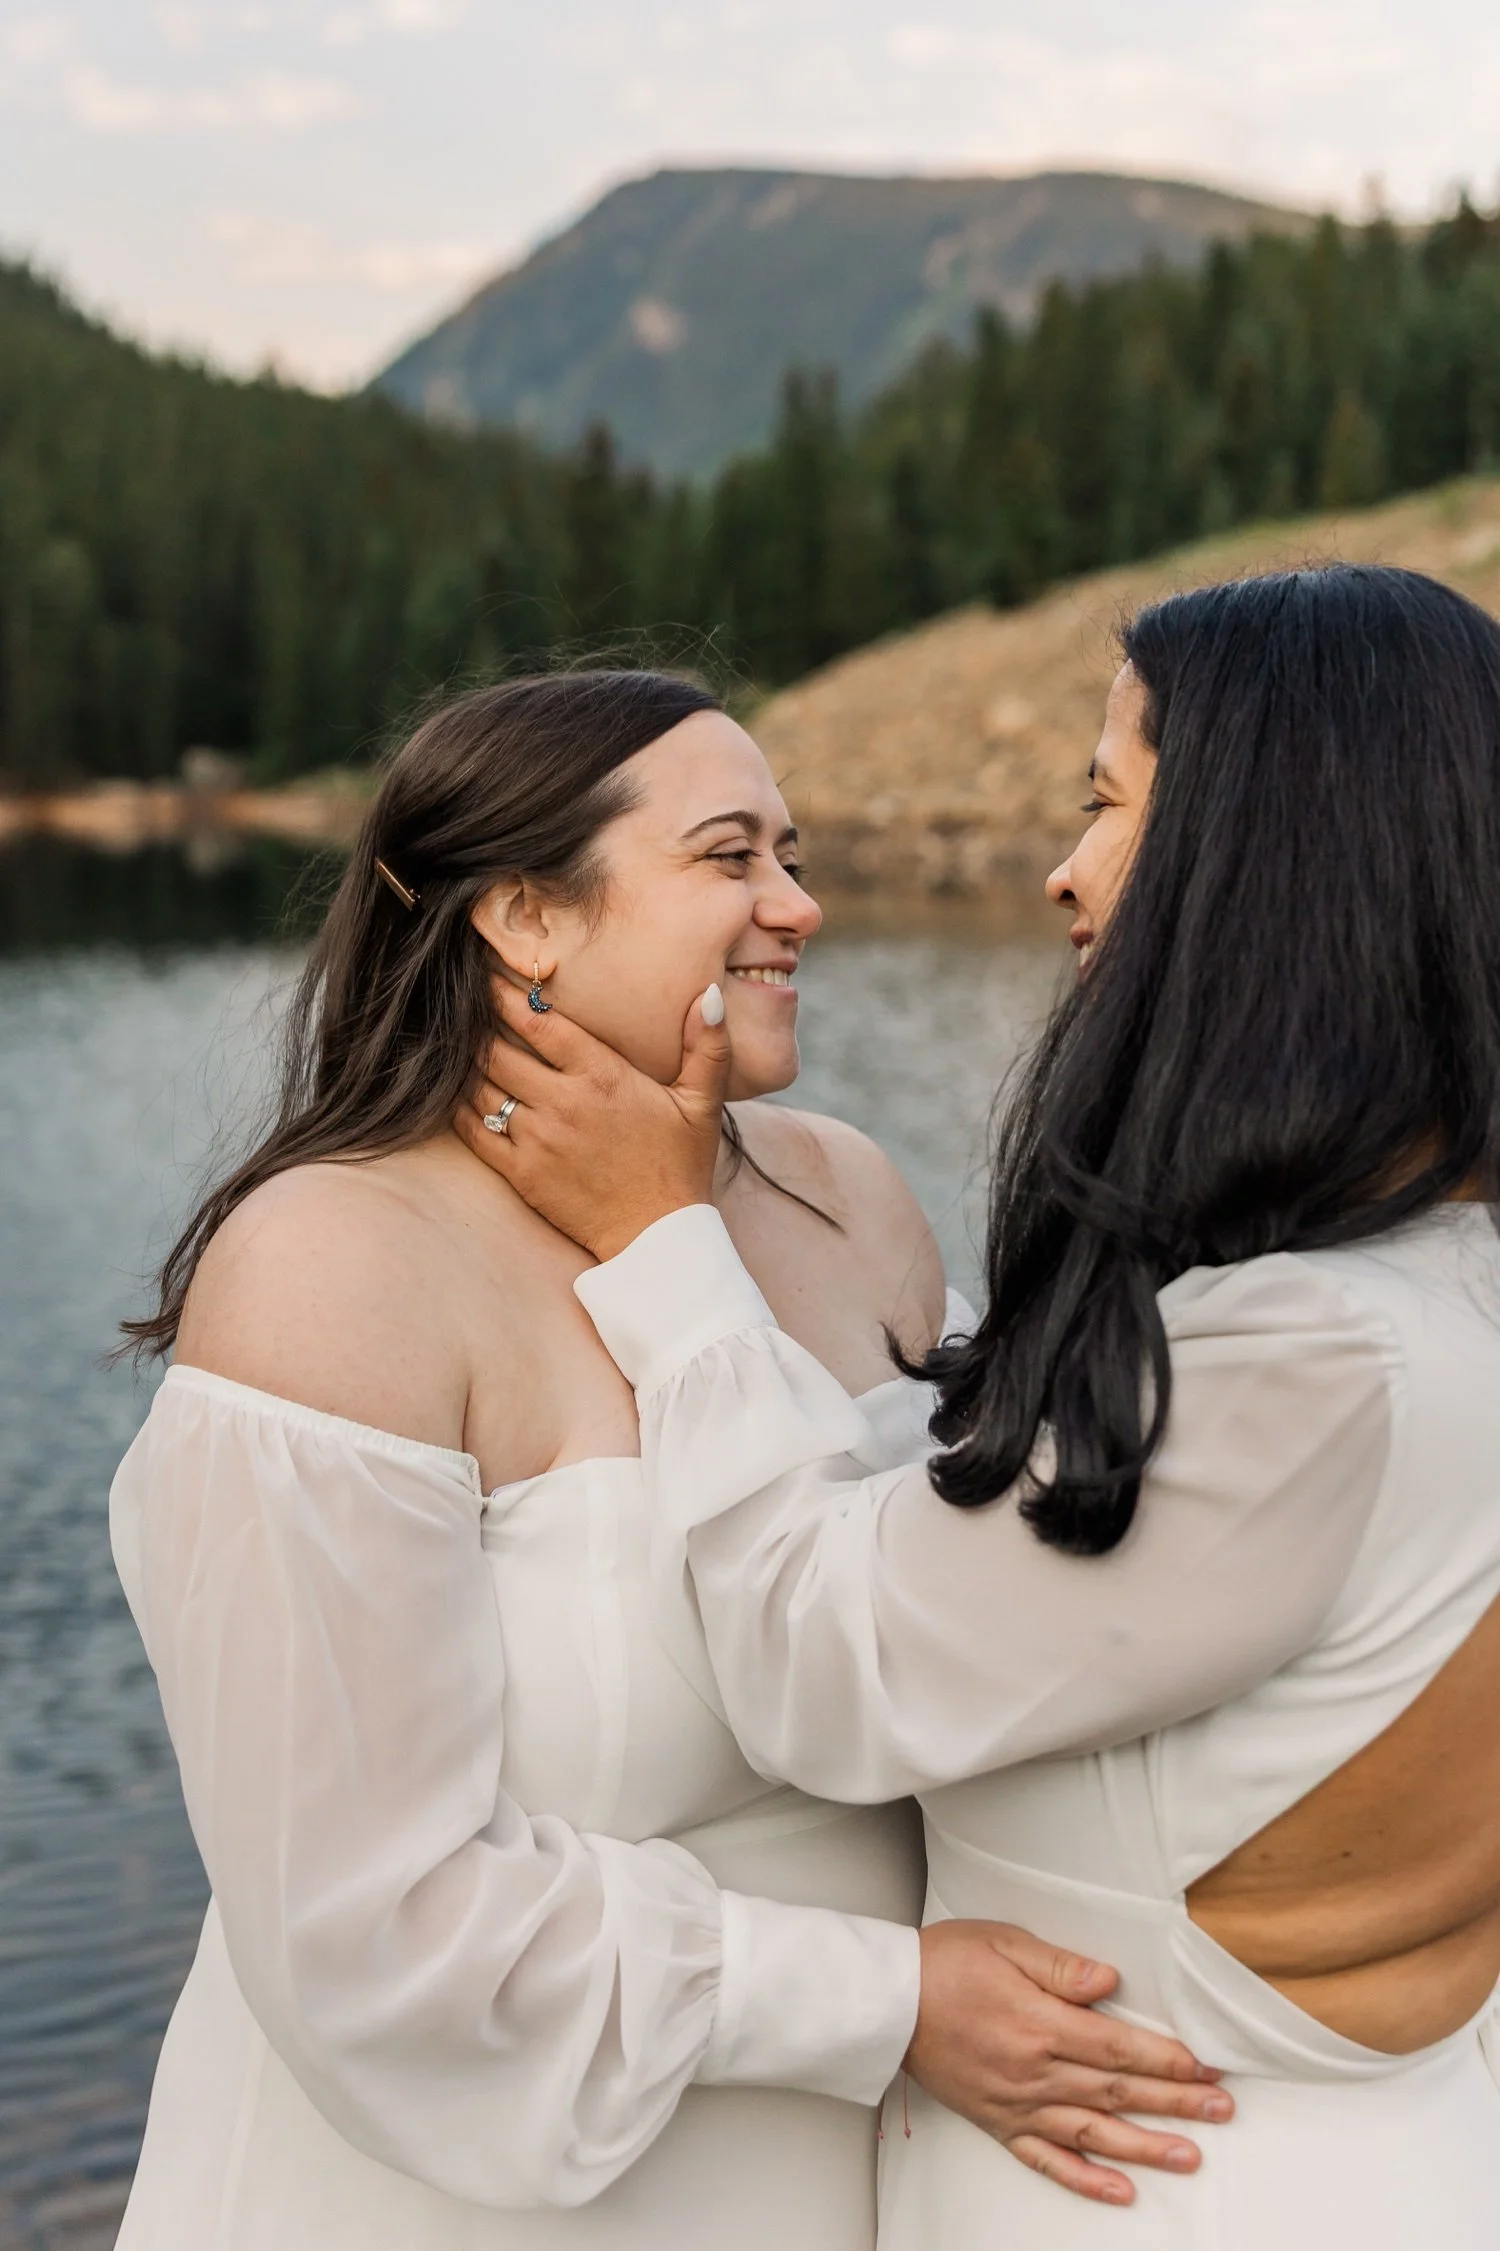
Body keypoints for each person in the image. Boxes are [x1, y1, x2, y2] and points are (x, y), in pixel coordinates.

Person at [109, 670, 1222, 2251]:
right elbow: (365, 1928)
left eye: (794, 854)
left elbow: (983, 1626)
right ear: (524, 917)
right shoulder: (333, 1263)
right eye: (730, 857)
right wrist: (890, 2002)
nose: (800, 906)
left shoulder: (847, 1198)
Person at [458, 568, 1500, 2246]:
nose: (1064, 869)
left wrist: (663, 1245)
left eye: (1108, 803)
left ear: (1272, 853)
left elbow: (827, 1665)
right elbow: (1034, 1530)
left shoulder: (1307, 1362)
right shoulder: (1437, 1286)